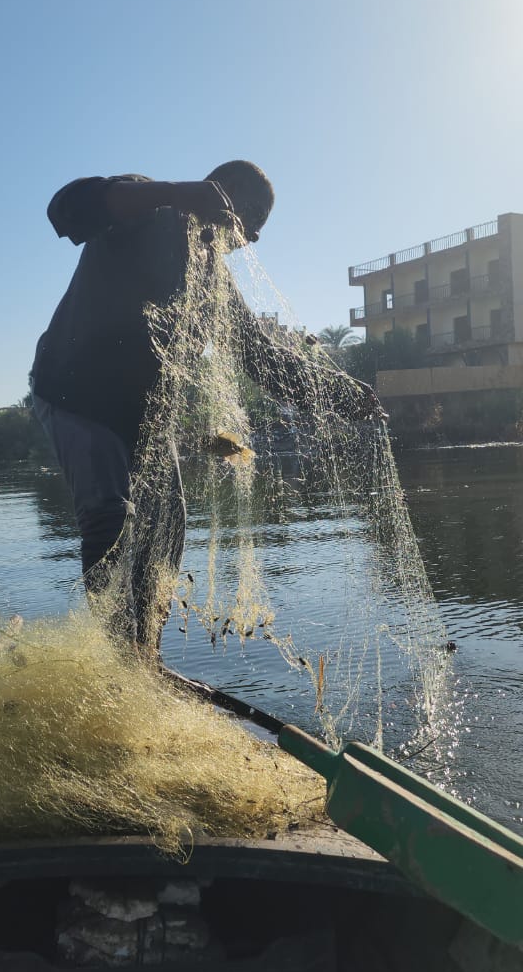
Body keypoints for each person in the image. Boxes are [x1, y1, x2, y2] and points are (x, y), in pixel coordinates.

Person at [32, 162, 380, 649]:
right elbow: (64, 209)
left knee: (168, 525)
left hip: (143, 418)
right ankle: (116, 662)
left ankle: (143, 654)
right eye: (253, 214)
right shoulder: (149, 206)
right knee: (110, 517)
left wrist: (339, 396)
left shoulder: (210, 277)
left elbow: (259, 357)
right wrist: (176, 193)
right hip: (77, 397)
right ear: (220, 191)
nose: (253, 235)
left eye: (262, 224)